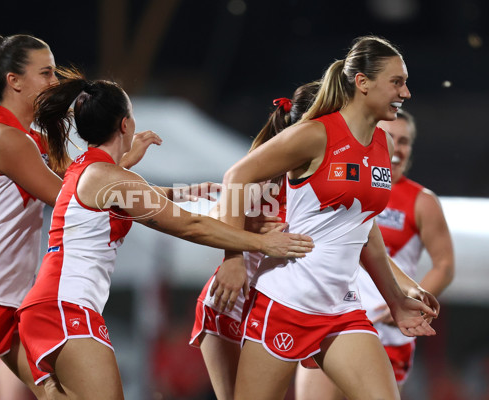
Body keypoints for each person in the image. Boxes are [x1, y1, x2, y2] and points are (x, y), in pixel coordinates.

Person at [16, 70, 315, 399]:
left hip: (47, 307)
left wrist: (180, 191)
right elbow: (190, 226)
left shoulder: (86, 168)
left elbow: (125, 196)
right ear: (125, 125)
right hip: (65, 308)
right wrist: (260, 242)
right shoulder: (110, 177)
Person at [0, 34, 161, 400]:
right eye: (46, 73)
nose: (54, 82)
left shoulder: (29, 139)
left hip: (13, 301)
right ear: (14, 81)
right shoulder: (2, 137)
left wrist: (123, 158)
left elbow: (80, 186)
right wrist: (123, 161)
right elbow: (71, 197)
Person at [210, 35, 439, 400]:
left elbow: (364, 229)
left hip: (342, 308)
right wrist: (233, 258)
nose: (406, 92)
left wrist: (395, 299)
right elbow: (236, 177)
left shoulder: (383, 144)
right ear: (362, 82)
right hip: (286, 302)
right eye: (397, 82)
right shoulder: (315, 134)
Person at [294, 109, 455, 399]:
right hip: (330, 320)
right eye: (390, 137)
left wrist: (411, 301)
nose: (397, 148)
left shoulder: (422, 201)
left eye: (405, 141)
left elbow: (444, 266)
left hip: (389, 333)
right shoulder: (340, 180)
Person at [190, 81, 321, 400]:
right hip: (233, 300)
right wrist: (237, 250)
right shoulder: (269, 174)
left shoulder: (326, 176)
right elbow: (213, 217)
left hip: (286, 305)